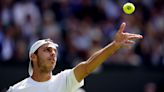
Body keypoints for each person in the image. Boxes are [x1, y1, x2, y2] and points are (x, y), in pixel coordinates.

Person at [7, 22, 143, 92]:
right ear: (33, 57)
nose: (53, 53)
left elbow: (87, 66)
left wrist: (114, 45)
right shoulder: (16, 90)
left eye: (54, 51)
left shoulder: (63, 80)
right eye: (47, 50)